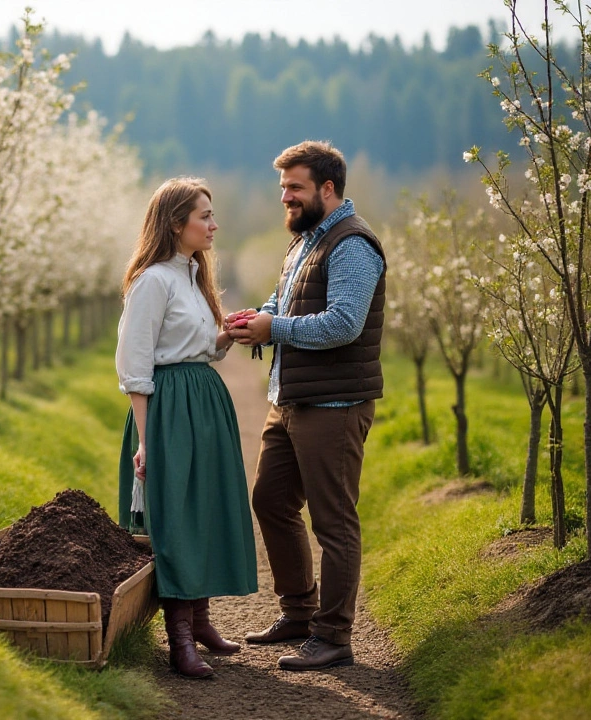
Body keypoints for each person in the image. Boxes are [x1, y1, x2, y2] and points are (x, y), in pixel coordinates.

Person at [227, 140, 386, 672]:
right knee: (270, 500)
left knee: (333, 521)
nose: (285, 199)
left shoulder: (353, 244)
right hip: (292, 399)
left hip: (335, 405)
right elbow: (287, 300)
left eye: (294, 188)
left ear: (327, 188)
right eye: (282, 189)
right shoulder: (303, 243)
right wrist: (259, 316)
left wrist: (276, 328)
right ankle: (299, 612)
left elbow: (343, 323)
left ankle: (334, 634)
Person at [115, 177, 259, 679]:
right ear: (177, 223)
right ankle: (178, 638)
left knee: (203, 508)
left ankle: (199, 620)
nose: (213, 225)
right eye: (204, 216)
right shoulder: (152, 280)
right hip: (170, 410)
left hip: (204, 403)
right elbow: (136, 366)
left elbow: (195, 346)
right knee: (174, 514)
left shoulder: (192, 275)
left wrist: (225, 335)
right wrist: (146, 439)